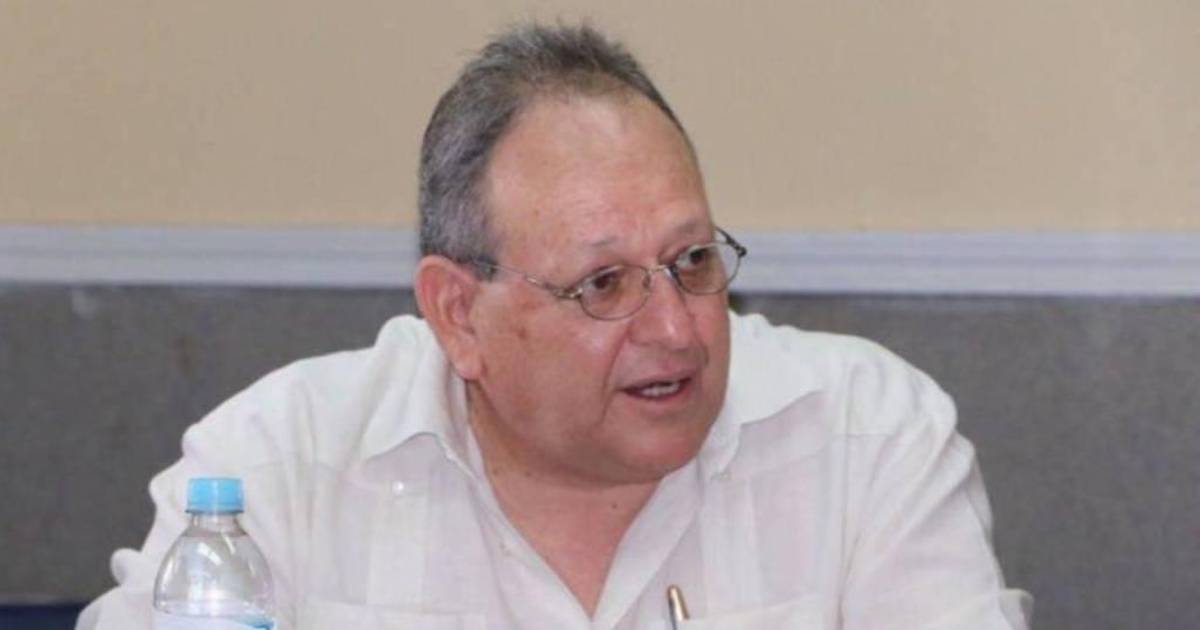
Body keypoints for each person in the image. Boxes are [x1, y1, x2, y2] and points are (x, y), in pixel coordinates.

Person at [78, 23, 1031, 629]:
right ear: (459, 314)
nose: (676, 330)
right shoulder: (274, 471)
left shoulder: (868, 438)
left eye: (693, 261)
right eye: (604, 284)